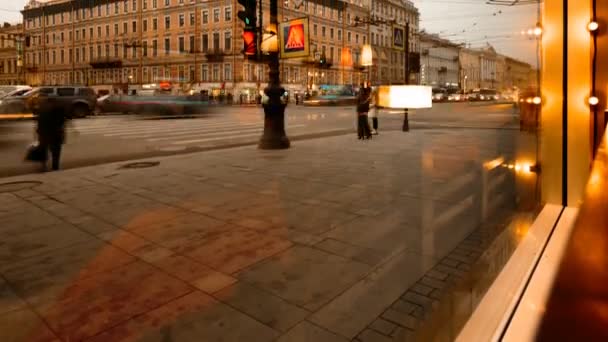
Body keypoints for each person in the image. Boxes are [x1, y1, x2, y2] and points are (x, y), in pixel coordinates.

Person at [33, 93, 69, 171]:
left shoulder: (42, 107)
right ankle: (55, 167)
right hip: (55, 133)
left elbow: (39, 120)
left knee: (43, 149)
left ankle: (43, 166)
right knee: (56, 151)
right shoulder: (59, 107)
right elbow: (63, 120)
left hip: (43, 133)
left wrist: (38, 131)